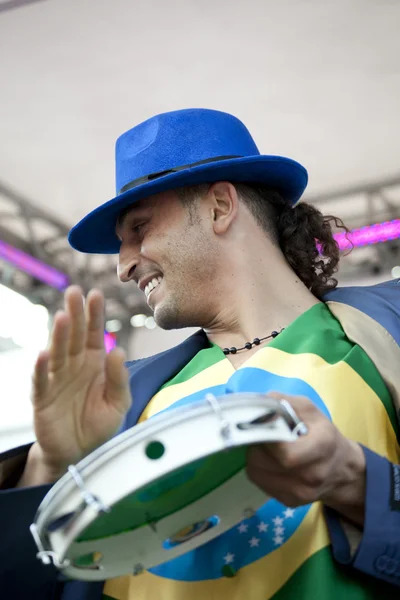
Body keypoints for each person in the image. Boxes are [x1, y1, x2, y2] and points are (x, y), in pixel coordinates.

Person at [1, 108, 400, 600]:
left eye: (139, 229)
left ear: (218, 206)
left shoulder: (385, 330)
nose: (122, 267)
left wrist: (356, 481)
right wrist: (49, 467)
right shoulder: (115, 401)